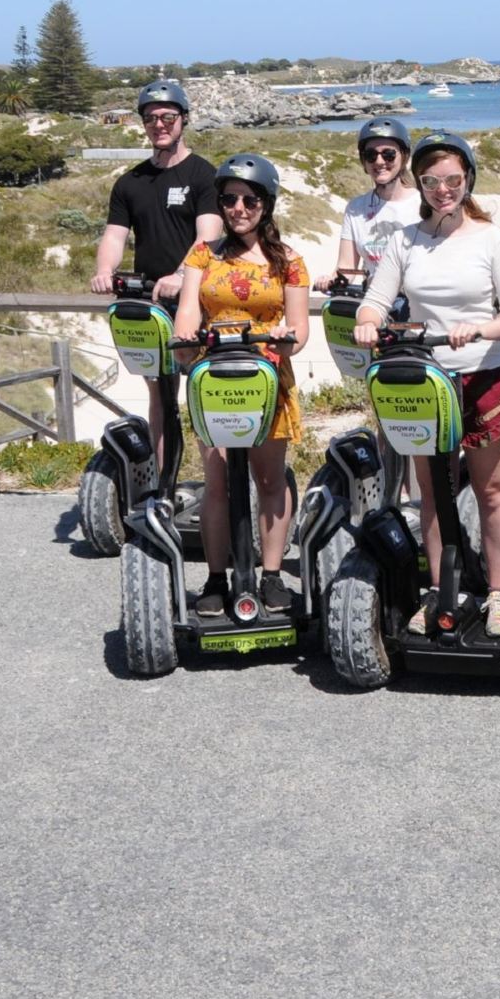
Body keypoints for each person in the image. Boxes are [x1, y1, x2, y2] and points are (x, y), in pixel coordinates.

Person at [353, 131, 500, 637]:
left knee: (493, 488)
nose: (443, 189)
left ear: (468, 179)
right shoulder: (404, 240)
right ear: (422, 184)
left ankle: (499, 593)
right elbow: (376, 299)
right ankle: (439, 589)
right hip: (427, 381)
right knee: (432, 492)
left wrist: (481, 328)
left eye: (453, 179)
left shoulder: (491, 238)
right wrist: (368, 321)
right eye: (432, 181)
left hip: (484, 374)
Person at [170, 153, 309, 617]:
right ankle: (215, 576)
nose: (238, 208)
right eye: (229, 199)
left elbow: (299, 327)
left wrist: (287, 340)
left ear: (266, 204)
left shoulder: (288, 261)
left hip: (267, 381)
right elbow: (189, 307)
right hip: (215, 379)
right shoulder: (202, 254)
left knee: (269, 479)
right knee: (216, 481)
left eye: (250, 199)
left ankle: (270, 575)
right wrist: (184, 338)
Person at [91, 79, 222, 475]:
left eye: (168, 117)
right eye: (151, 119)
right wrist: (103, 271)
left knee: (204, 393)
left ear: (184, 119)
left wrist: (184, 274)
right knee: (160, 398)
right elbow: (115, 234)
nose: (159, 125)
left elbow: (210, 235)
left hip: (197, 301)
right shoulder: (130, 182)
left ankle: (218, 486)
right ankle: (162, 485)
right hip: (151, 303)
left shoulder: (204, 176)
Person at [328, 116, 415, 289]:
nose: (379, 162)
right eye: (371, 155)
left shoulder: (423, 204)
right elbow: (347, 268)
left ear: (403, 157)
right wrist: (332, 280)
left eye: (389, 155)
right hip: (373, 299)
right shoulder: (356, 208)